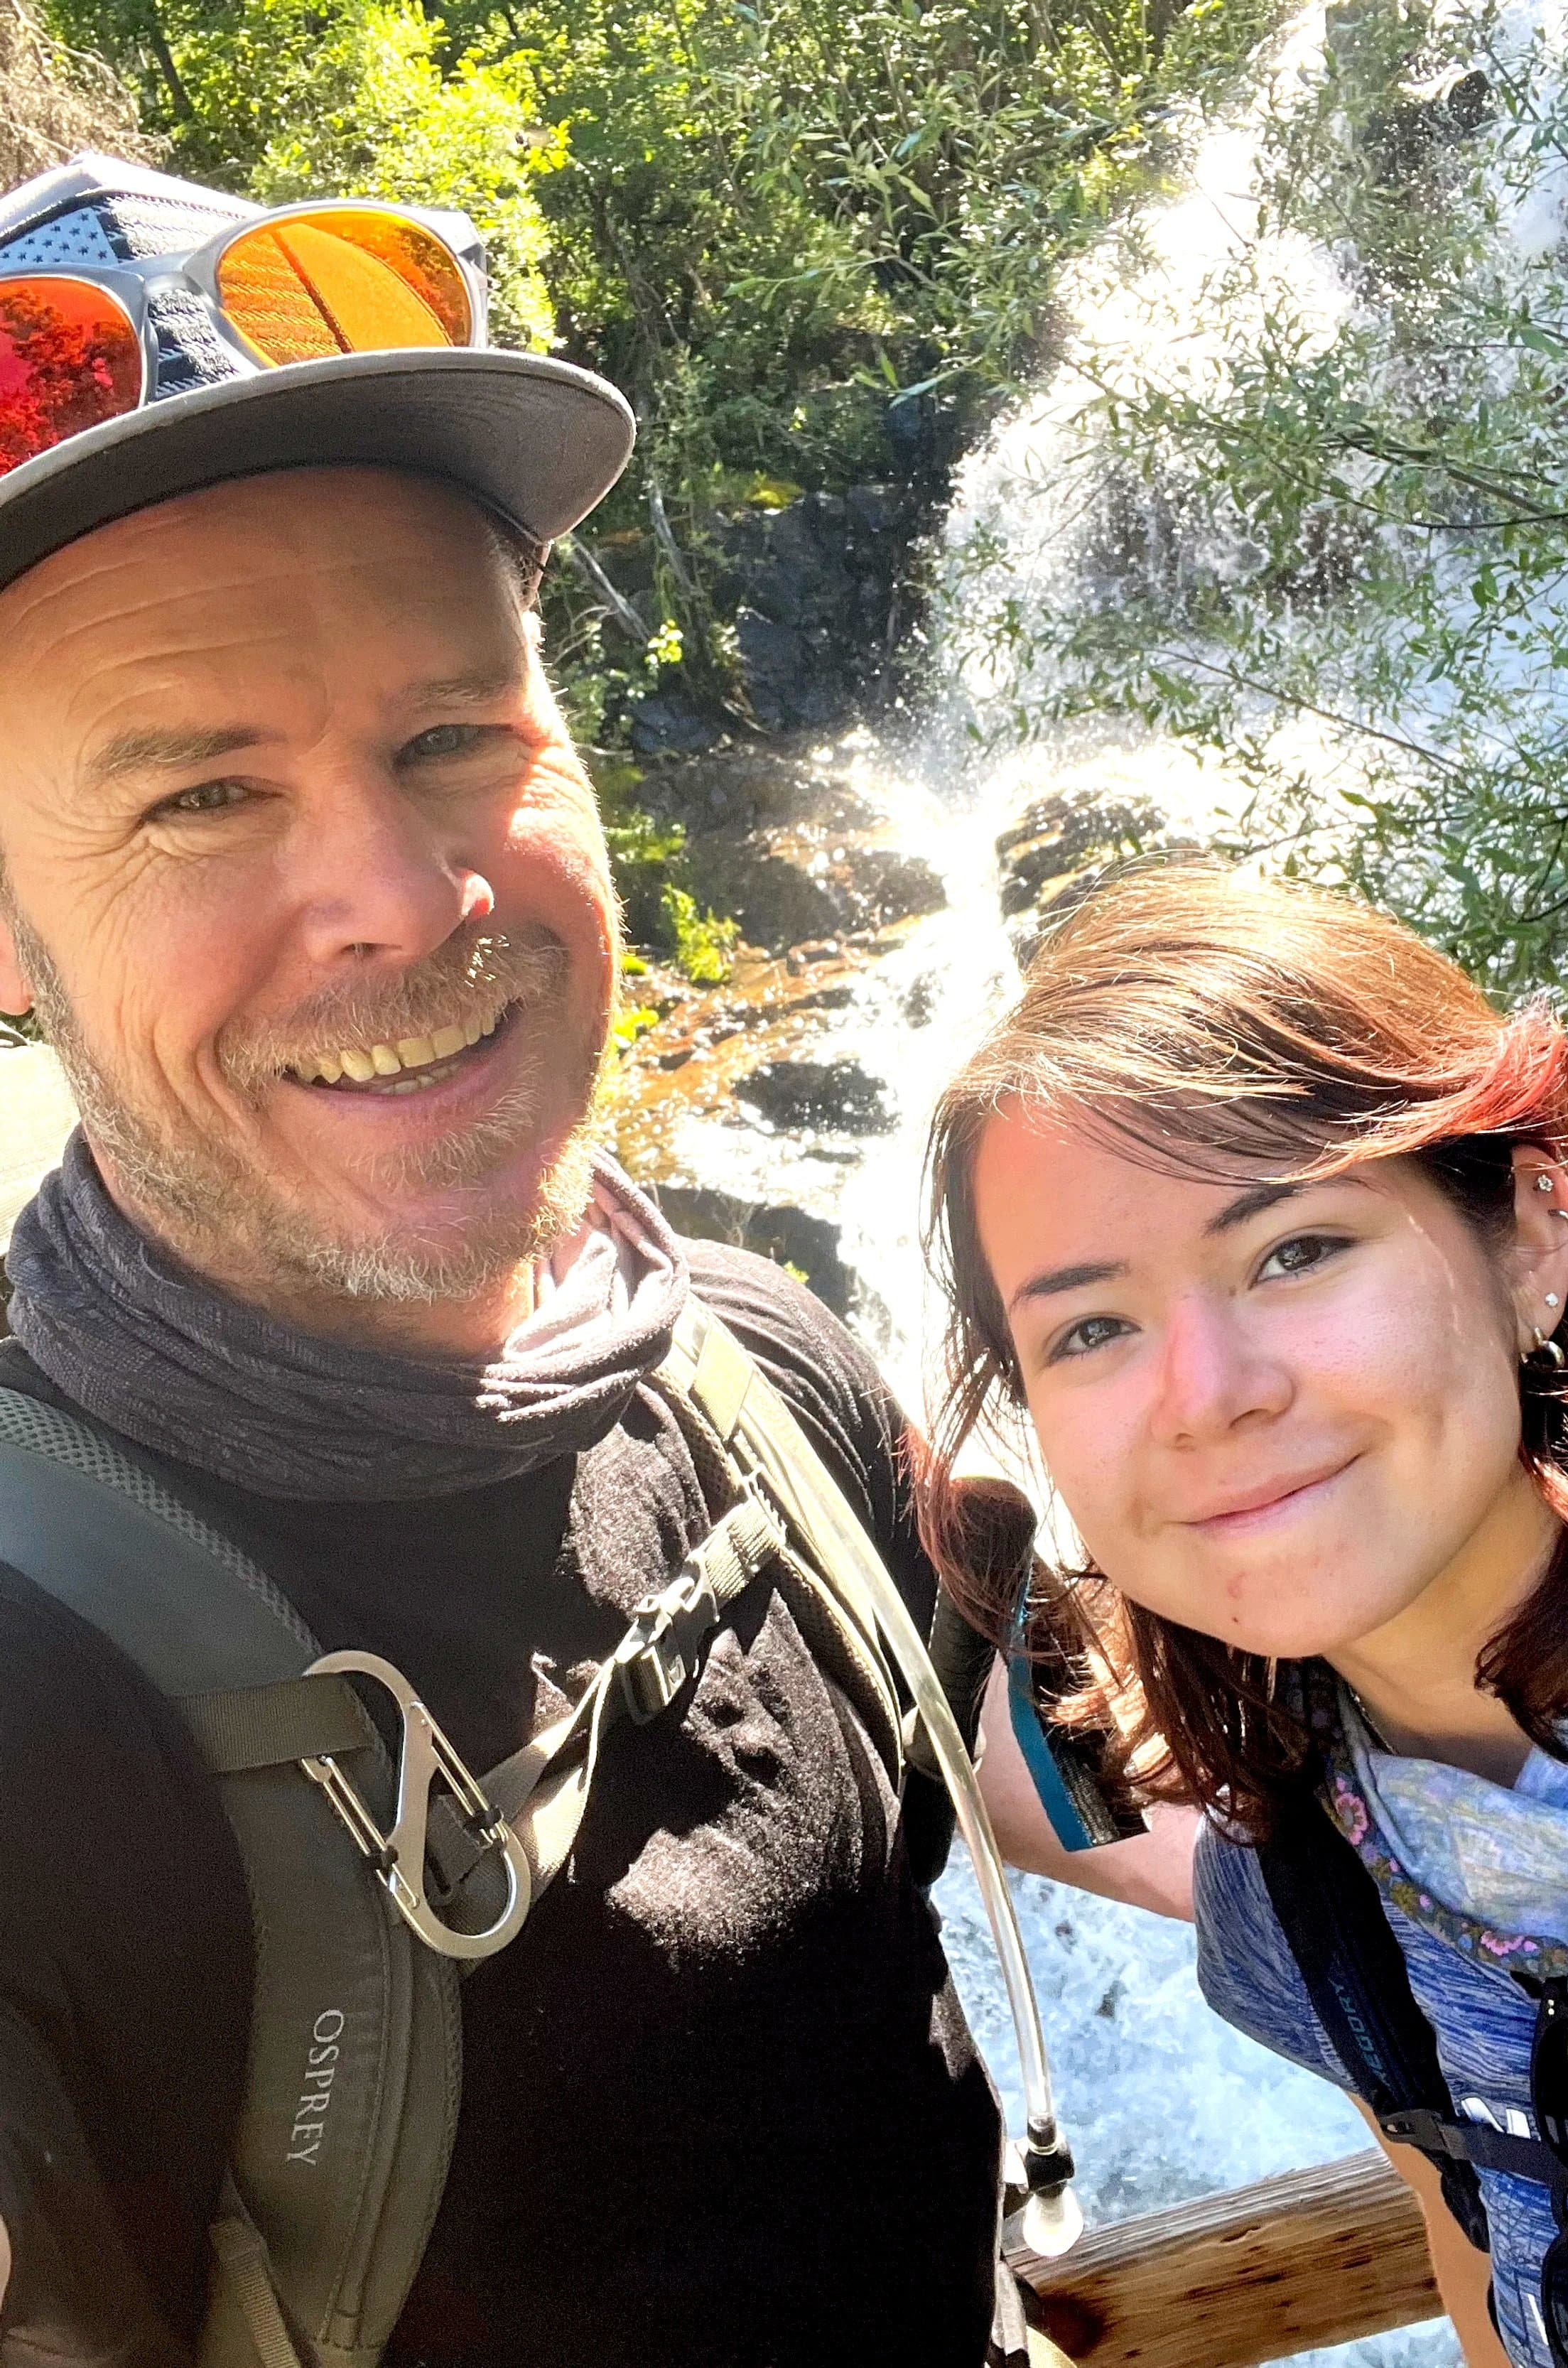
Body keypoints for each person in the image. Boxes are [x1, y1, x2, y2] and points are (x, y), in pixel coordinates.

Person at [0, 152, 1024, 2367]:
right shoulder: (39, 1723)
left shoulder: (762, 1372)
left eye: (456, 735)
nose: (401, 894)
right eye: (197, 797)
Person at [921, 858, 1568, 2368]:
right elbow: (1479, 2247)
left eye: (1294, 1249)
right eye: (1092, 1326)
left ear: (1527, 1239)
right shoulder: (1307, 1881)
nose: (1209, 1392)